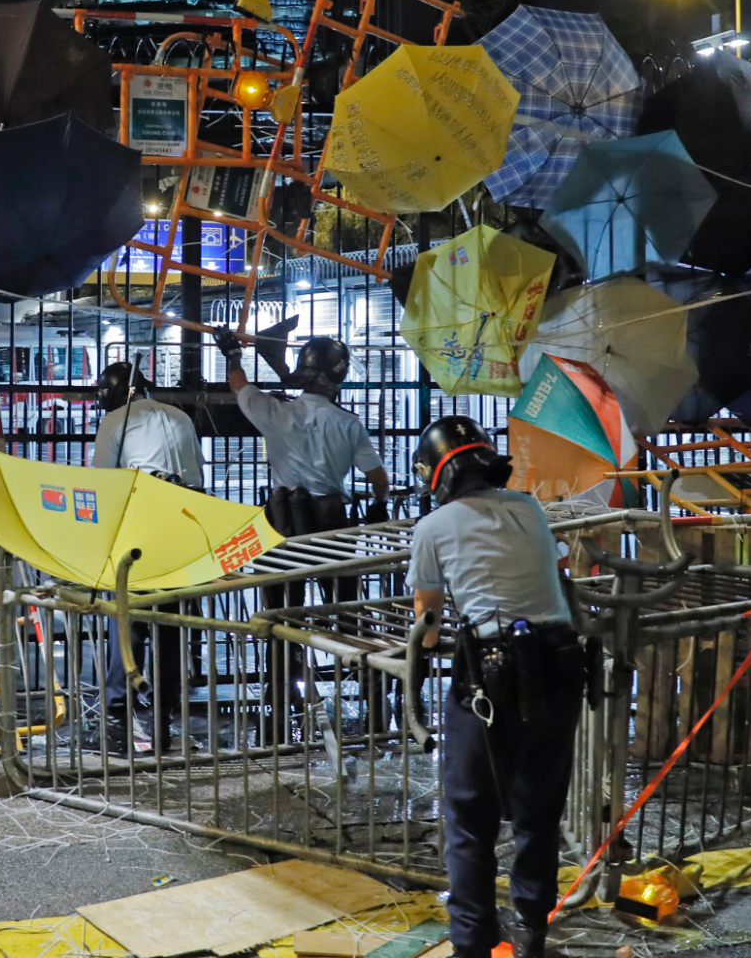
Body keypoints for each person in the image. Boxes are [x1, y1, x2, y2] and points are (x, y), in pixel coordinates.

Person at [408, 417, 585, 958]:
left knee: (469, 815)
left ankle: (472, 944)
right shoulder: (530, 507)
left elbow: (428, 621)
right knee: (538, 808)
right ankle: (532, 929)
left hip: (493, 673)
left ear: (438, 474)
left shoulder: (434, 526)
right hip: (560, 664)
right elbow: (553, 575)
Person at [213, 330, 391, 604]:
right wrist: (379, 504)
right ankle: (345, 639)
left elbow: (239, 387)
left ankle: (285, 644)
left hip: (284, 518)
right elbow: (379, 480)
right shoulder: (348, 423)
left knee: (281, 606)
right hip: (331, 523)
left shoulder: (274, 411)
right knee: (344, 604)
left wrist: (233, 355)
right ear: (338, 375)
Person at [88, 360, 206, 754]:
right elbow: (199, 475)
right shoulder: (178, 415)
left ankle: (119, 708)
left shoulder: (114, 422)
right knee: (169, 621)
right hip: (184, 515)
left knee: (129, 617)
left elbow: (103, 483)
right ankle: (166, 708)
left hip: (143, 514)